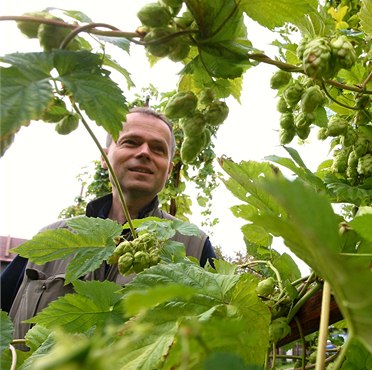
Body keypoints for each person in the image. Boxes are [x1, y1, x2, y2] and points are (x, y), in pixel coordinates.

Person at [1, 107, 216, 340]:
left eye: (158, 149)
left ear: (169, 170)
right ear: (104, 158)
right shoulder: (50, 240)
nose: (144, 152)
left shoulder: (195, 245)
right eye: (131, 142)